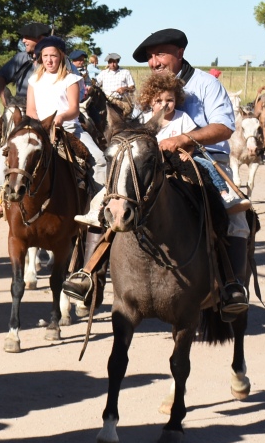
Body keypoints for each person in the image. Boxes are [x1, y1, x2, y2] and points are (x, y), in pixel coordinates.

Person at [64, 28, 249, 321]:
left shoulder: (206, 85)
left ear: (179, 53)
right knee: (112, 198)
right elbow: (139, 127)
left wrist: (184, 139)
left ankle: (231, 286)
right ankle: (87, 276)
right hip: (153, 160)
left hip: (204, 158)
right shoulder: (151, 88)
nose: (154, 62)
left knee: (236, 216)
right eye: (150, 57)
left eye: (159, 53)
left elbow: (224, 128)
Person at [138, 70, 248, 213]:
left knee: (206, 165)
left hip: (181, 158)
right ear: (149, 100)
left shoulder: (182, 117)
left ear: (176, 99)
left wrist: (189, 151)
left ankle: (222, 195)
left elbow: (192, 139)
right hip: (153, 161)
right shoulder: (143, 119)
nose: (164, 105)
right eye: (159, 101)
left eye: (169, 100)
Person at [24, 36, 106, 215]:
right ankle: (4, 196)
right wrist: (41, 126)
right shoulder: (34, 81)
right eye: (45, 56)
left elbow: (74, 110)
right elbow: (30, 110)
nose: (49, 60)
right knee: (8, 153)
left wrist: (60, 117)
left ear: (60, 56)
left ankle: (97, 207)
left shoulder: (72, 79)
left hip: (69, 128)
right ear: (40, 58)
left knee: (100, 159)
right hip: (40, 129)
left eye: (53, 55)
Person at [0, 22, 52, 108]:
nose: (23, 40)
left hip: (48, 108)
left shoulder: (58, 60)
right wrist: (5, 101)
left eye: (27, 37)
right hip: (21, 108)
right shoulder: (20, 58)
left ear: (41, 38)